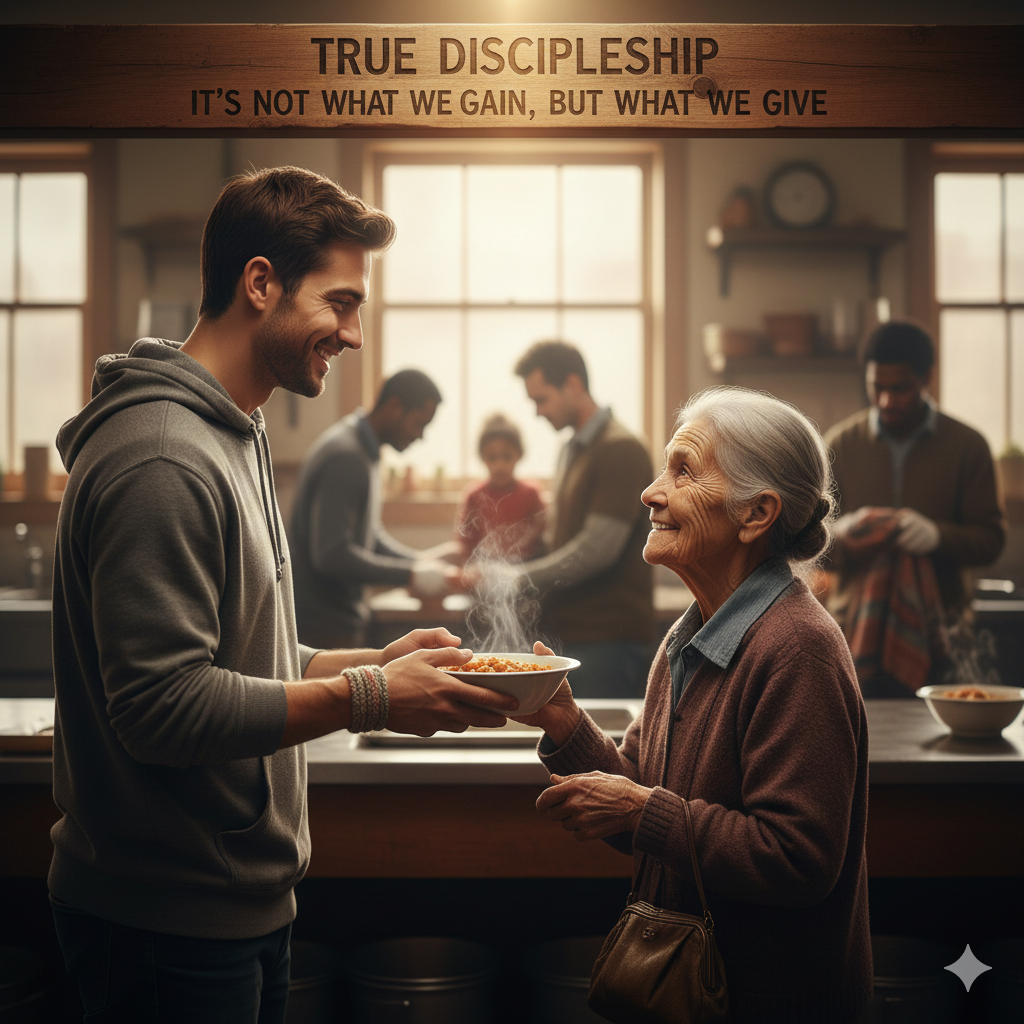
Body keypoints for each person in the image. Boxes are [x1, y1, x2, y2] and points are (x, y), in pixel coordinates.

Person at [47, 165, 517, 1024]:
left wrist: (373, 661)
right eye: (340, 303)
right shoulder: (164, 454)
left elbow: (242, 654)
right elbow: (161, 708)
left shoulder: (236, 431)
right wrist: (372, 696)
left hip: (236, 905)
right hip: (164, 920)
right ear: (260, 283)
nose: (356, 335)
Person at [516, 386, 872, 1023]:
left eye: (683, 471)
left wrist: (640, 806)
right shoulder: (689, 636)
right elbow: (643, 805)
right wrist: (563, 720)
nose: (652, 493)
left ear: (756, 514)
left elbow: (798, 859)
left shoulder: (799, 648)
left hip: (767, 1000)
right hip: (693, 990)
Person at [824, 321, 1006, 697]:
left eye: (900, 388)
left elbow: (992, 540)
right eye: (877, 387)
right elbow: (806, 541)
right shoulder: (839, 445)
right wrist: (841, 533)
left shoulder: (968, 447)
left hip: (944, 636)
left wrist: (938, 536)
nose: (887, 400)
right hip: (849, 634)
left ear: (927, 378)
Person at [512, 340, 655, 697]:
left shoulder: (620, 448)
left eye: (541, 399)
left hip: (607, 640)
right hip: (575, 636)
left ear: (572, 385)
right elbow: (563, 535)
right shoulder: (571, 450)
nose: (537, 412)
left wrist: (515, 578)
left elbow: (596, 550)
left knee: (599, 749)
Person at [290, 368, 457, 649]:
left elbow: (370, 537)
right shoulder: (347, 456)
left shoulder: (361, 449)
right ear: (394, 407)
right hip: (321, 629)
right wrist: (411, 575)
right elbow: (332, 555)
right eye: (419, 423)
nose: (421, 436)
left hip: (333, 622)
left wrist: (419, 563)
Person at [454, 412, 545, 563]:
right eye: (492, 458)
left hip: (526, 568)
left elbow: (541, 537)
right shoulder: (474, 496)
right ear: (482, 457)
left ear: (519, 455)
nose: (499, 465)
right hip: (485, 568)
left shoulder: (531, 494)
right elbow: (465, 543)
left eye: (506, 457)